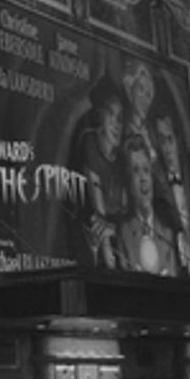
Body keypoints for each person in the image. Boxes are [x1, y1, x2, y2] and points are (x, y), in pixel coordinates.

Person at [78, 75, 128, 268]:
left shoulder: (123, 160)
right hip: (95, 247)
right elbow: (98, 213)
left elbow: (128, 214)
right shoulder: (90, 143)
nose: (117, 124)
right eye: (111, 115)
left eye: (120, 119)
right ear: (100, 115)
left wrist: (115, 229)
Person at [117, 133, 183, 276]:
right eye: (136, 171)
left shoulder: (167, 231)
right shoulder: (123, 232)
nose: (143, 179)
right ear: (128, 181)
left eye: (146, 170)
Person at [150, 110, 190, 279]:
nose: (166, 148)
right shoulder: (156, 186)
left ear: (178, 140)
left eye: (169, 139)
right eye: (161, 141)